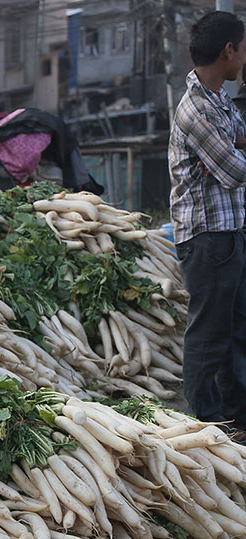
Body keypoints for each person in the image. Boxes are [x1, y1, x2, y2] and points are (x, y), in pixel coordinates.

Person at [169, 11, 246, 440]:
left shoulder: (217, 100)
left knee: (237, 331)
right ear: (229, 51)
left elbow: (238, 137)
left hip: (228, 234)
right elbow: (234, 170)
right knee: (208, 338)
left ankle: (238, 421)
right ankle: (204, 428)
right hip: (207, 240)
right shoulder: (196, 109)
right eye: (244, 49)